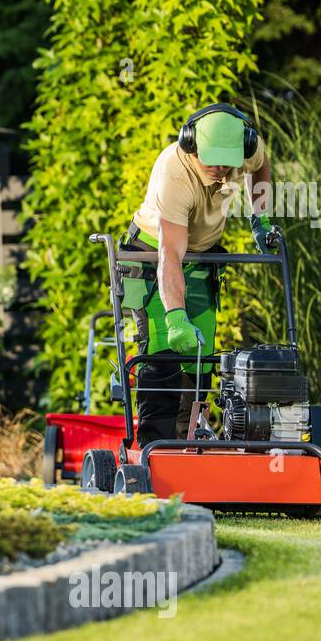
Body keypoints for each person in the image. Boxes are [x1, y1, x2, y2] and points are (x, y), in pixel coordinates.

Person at [119, 103, 282, 446]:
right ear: (191, 145)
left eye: (228, 162)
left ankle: (190, 448)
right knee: (163, 357)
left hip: (203, 259)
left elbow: (261, 166)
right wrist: (176, 316)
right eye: (212, 161)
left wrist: (261, 218)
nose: (221, 170)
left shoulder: (248, 150)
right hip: (153, 258)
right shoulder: (174, 171)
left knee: (200, 364)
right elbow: (170, 254)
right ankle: (155, 453)